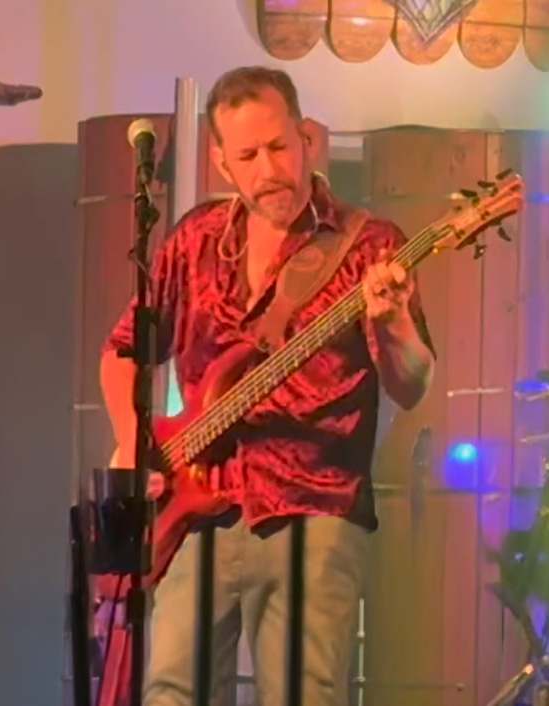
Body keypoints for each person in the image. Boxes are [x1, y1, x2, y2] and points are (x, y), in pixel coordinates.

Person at [99, 66, 435, 706]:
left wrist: (392, 322)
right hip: (195, 507)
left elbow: (412, 383)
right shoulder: (195, 239)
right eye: (248, 155)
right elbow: (123, 351)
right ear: (222, 163)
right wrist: (130, 443)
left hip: (313, 508)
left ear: (307, 138)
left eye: (279, 147)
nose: (269, 169)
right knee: (171, 691)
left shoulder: (369, 245)